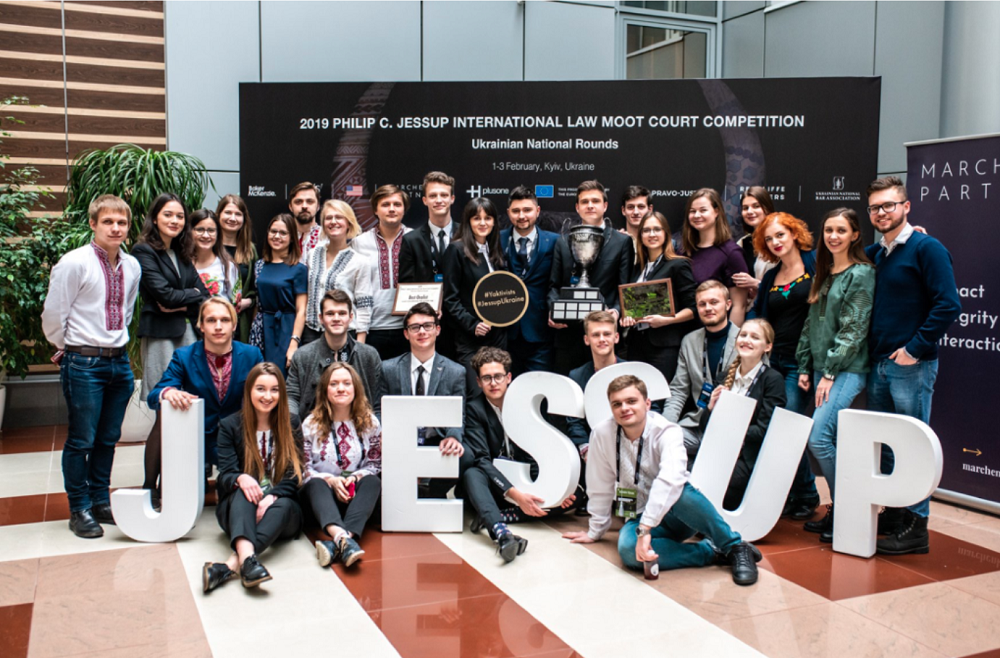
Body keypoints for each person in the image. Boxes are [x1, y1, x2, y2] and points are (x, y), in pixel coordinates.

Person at [562, 375, 760, 586]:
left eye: (631, 401)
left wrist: (646, 528)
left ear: (647, 404)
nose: (624, 408)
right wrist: (595, 530)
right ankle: (710, 552)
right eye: (617, 404)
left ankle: (735, 546)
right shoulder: (602, 434)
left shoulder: (667, 431)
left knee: (681, 491)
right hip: (637, 513)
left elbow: (670, 480)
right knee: (628, 551)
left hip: (679, 514)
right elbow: (599, 483)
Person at [863, 176, 961, 555]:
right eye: (875, 207)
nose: (881, 212)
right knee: (889, 447)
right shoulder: (877, 253)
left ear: (906, 206)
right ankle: (896, 513)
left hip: (910, 365)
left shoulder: (927, 248)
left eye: (889, 205)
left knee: (914, 446)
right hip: (879, 364)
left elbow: (948, 304)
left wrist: (914, 349)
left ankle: (917, 525)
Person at [41, 195, 141, 538]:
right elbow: (54, 314)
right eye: (108, 222)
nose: (116, 228)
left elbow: (126, 311)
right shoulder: (74, 263)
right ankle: (79, 508)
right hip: (83, 362)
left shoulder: (132, 265)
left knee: (108, 438)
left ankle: (100, 500)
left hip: (119, 362)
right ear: (93, 224)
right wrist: (69, 348)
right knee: (82, 439)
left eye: (122, 222)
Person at [795, 208, 875, 543]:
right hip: (820, 368)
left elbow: (854, 329)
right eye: (829, 230)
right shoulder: (825, 273)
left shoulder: (861, 273)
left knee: (818, 437)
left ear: (855, 235)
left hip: (846, 370)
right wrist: (805, 365)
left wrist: (828, 372)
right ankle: (841, 508)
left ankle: (847, 509)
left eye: (841, 230)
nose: (833, 236)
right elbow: (810, 324)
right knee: (830, 439)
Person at [461, 347, 575, 562]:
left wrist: (556, 489)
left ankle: (494, 516)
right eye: (486, 378)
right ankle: (501, 532)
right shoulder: (474, 409)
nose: (493, 383)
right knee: (472, 473)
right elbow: (482, 460)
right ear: (478, 382)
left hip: (526, 481)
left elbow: (540, 452)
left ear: (509, 378)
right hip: (496, 487)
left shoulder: (527, 404)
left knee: (576, 496)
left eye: (498, 376)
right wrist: (516, 495)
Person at [132, 193, 209, 502]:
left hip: (188, 335)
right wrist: (186, 297)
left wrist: (181, 300)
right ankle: (149, 486)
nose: (175, 221)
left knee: (185, 409)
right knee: (165, 411)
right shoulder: (143, 251)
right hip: (161, 337)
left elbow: (202, 295)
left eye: (179, 216)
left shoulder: (183, 252)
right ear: (155, 218)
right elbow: (163, 295)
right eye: (168, 214)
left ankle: (174, 483)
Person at [204, 363, 305, 593]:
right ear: (249, 390)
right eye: (261, 389)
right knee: (244, 489)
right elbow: (225, 475)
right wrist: (241, 478)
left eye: (274, 390)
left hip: (281, 513)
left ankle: (233, 563)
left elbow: (294, 476)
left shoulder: (291, 423)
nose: (267, 396)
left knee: (284, 504)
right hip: (239, 512)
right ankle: (249, 563)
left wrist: (272, 497)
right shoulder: (230, 426)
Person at [751, 212, 821, 518]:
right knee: (773, 428)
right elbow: (761, 315)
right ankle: (794, 493)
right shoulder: (771, 276)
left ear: (794, 233)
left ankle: (806, 493)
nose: (775, 242)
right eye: (769, 239)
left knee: (788, 427)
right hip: (773, 361)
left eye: (780, 234)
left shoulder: (817, 264)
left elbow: (858, 255)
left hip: (802, 363)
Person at [148, 297, 264, 471]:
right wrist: (168, 392)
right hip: (196, 438)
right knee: (165, 410)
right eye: (211, 320)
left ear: (234, 325)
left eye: (225, 320)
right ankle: (151, 484)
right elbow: (154, 396)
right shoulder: (184, 356)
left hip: (239, 438)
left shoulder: (252, 355)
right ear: (201, 326)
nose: (218, 326)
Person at [548, 180, 635, 375]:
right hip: (568, 334)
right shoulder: (563, 241)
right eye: (584, 201)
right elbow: (553, 285)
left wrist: (616, 311)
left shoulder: (622, 242)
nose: (590, 205)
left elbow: (625, 286)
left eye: (595, 201)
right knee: (568, 389)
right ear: (577, 207)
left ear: (605, 206)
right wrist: (553, 310)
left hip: (604, 336)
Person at [301, 363, 382, 569]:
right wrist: (331, 480)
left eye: (346, 383)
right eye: (334, 384)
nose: (340, 389)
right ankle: (344, 539)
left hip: (354, 497)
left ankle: (340, 540)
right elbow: (304, 468)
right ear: (325, 390)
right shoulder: (310, 424)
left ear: (355, 388)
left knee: (373, 481)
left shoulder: (370, 423)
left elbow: (374, 463)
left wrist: (353, 478)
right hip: (322, 499)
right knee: (315, 484)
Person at [382, 303, 466, 495]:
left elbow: (458, 415)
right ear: (406, 333)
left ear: (437, 330)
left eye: (427, 326)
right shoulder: (388, 369)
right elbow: (379, 409)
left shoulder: (455, 372)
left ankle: (432, 494)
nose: (422, 331)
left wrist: (453, 436)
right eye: (415, 327)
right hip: (399, 439)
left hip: (436, 439)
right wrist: (384, 433)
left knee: (465, 455)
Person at [705, 319, 786, 510]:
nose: (747, 340)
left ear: (767, 347)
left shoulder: (773, 380)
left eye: (755, 337)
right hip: (717, 452)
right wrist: (710, 408)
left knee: (715, 487)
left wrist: (729, 432)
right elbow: (704, 428)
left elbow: (765, 431)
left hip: (747, 458)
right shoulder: (724, 376)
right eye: (743, 335)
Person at [662, 280, 740, 464]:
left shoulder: (745, 340)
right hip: (696, 426)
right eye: (702, 304)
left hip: (732, 431)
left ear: (728, 304)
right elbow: (678, 390)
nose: (708, 308)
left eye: (714, 302)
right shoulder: (689, 341)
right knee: (659, 442)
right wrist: (665, 428)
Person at [619, 211, 697, 381]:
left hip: (664, 345)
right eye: (646, 230)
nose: (652, 234)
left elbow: (693, 308)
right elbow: (631, 306)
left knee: (660, 392)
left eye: (657, 229)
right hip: (636, 344)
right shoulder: (637, 268)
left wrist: (666, 320)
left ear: (666, 233)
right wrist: (628, 319)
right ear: (640, 236)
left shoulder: (678, 265)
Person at [287, 290, 385, 422]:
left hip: (361, 428)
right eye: (330, 313)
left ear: (351, 317)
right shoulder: (302, 356)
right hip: (312, 429)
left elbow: (379, 403)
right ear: (321, 318)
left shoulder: (369, 356)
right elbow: (291, 398)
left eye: (342, 313)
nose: (336, 318)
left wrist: (375, 429)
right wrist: (295, 426)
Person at [442, 197, 507, 372]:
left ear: (494, 222)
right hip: (470, 337)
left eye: (488, 218)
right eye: (477, 218)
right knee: (474, 386)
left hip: (498, 337)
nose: (483, 223)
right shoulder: (456, 250)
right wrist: (473, 325)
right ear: (468, 221)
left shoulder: (495, 250)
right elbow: (450, 298)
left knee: (496, 385)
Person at [399, 171, 459, 358]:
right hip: (426, 325)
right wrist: (426, 310)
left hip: (462, 324)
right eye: (433, 196)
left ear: (452, 199)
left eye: (443, 195)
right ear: (425, 200)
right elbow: (406, 284)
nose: (438, 200)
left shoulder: (466, 235)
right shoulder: (411, 240)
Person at [500, 186, 558, 374]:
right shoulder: (496, 240)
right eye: (516, 211)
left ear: (537, 211)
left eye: (527, 210)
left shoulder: (555, 241)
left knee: (539, 386)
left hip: (540, 331)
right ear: (508, 213)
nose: (521, 216)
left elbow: (558, 281)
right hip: (505, 332)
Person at [353, 185, 412, 360]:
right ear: (375, 210)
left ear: (404, 209)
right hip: (372, 328)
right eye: (385, 204)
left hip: (408, 328)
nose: (392, 209)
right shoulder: (359, 243)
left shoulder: (416, 238)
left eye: (397, 204)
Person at [303, 200, 373, 345]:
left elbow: (364, 306)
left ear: (349, 223)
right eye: (328, 218)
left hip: (345, 334)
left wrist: (359, 345)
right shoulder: (312, 254)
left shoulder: (360, 261)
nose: (333, 221)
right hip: (312, 333)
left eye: (339, 217)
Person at [248, 214, 307, 376]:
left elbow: (301, 310)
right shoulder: (259, 265)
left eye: (283, 233)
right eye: (273, 231)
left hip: (286, 328)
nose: (277, 236)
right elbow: (258, 302)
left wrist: (294, 342)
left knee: (280, 375)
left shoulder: (299, 269)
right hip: (261, 328)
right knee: (259, 375)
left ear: (292, 238)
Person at [680, 188, 750, 325]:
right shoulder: (683, 252)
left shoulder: (731, 253)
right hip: (683, 333)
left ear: (716, 212)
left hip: (716, 333)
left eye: (703, 210)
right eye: (692, 211)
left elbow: (739, 305)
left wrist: (730, 337)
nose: (697, 215)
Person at [216, 194, 256, 342]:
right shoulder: (208, 246)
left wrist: (249, 302)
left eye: (238, 214)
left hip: (239, 324)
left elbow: (257, 289)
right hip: (212, 320)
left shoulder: (250, 250)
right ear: (218, 215)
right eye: (228, 212)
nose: (232, 218)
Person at [732, 186, 777, 299]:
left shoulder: (781, 240)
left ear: (767, 208)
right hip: (751, 306)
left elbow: (793, 282)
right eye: (745, 208)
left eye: (756, 206)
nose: (750, 212)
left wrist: (757, 284)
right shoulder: (742, 243)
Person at [191, 209, 240, 303]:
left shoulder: (228, 266)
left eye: (211, 230)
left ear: (218, 234)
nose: (206, 235)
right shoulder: (181, 263)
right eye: (200, 229)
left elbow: (235, 305)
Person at [288, 181, 323, 263]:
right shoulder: (281, 237)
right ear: (290, 206)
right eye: (298, 202)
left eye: (310, 201)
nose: (304, 206)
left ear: (318, 206)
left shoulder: (328, 238)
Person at [620, 185, 653, 250]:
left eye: (641, 207)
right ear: (623, 210)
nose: (636, 212)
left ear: (650, 209)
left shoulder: (662, 244)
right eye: (630, 207)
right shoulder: (615, 242)